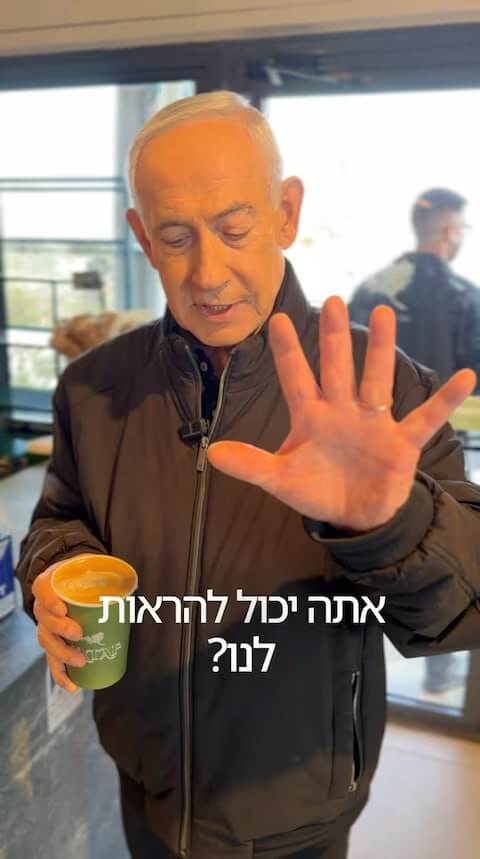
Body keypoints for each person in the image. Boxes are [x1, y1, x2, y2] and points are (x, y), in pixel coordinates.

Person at [16, 92, 480, 859]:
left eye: (234, 229)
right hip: (147, 782)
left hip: (299, 803)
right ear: (142, 236)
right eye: (175, 237)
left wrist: (390, 525)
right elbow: (61, 515)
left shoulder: (379, 390)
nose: (208, 272)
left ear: (286, 212)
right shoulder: (93, 388)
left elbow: (462, 612)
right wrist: (58, 567)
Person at [349, 187, 480, 694]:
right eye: (463, 229)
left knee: (366, 543)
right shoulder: (464, 297)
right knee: (436, 548)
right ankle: (438, 672)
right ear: (449, 231)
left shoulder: (371, 289)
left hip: (364, 452)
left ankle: (357, 657)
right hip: (439, 453)